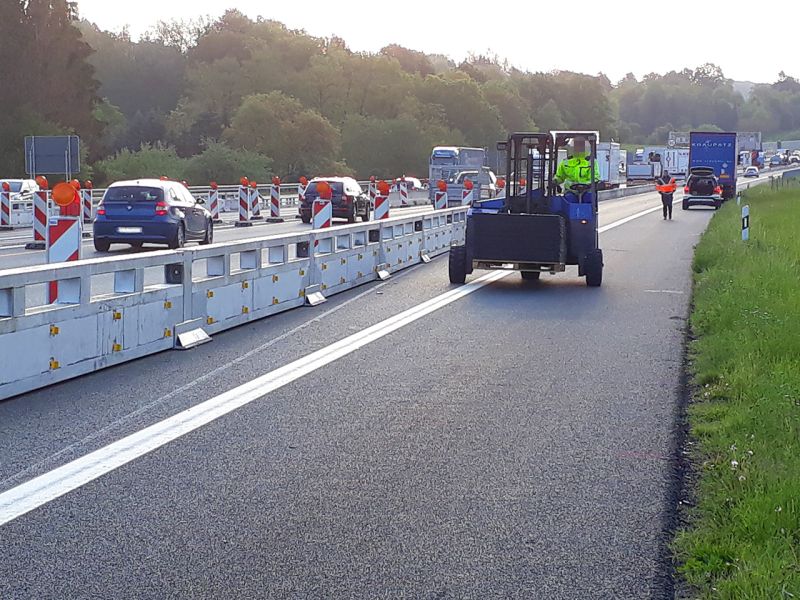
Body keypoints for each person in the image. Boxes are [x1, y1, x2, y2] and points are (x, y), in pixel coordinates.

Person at [554, 135, 601, 203]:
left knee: (589, 197)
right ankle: (571, 212)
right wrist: (555, 181)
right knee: (569, 199)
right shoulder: (566, 162)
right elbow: (560, 176)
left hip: (586, 190)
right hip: (570, 190)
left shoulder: (591, 162)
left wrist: (588, 185)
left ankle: (587, 212)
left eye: (581, 145)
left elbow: (595, 177)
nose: (579, 148)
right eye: (576, 145)